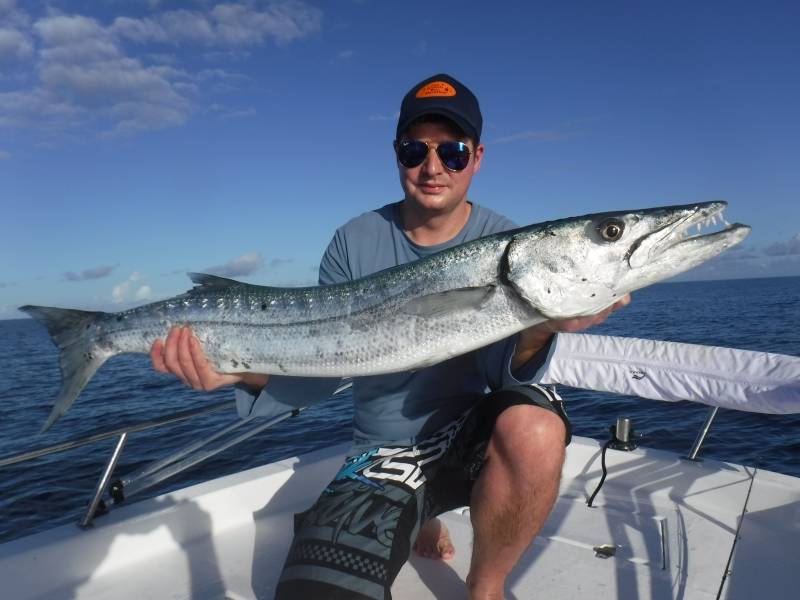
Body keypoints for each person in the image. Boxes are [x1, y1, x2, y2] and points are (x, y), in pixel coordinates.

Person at [151, 73, 629, 600]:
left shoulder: (503, 239)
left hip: (466, 438)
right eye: (413, 150)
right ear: (395, 155)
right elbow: (328, 360)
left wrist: (541, 325)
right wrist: (237, 373)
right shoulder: (353, 239)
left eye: (452, 151)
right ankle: (419, 514)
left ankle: (486, 587)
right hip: (382, 453)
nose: (432, 167)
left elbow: (503, 374)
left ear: (477, 157)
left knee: (536, 427)